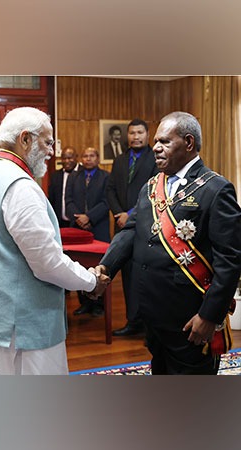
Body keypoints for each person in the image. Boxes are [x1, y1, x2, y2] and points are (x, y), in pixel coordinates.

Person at [0, 107, 109, 375]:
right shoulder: (20, 187)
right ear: (25, 139)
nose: (52, 151)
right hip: (19, 325)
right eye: (47, 142)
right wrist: (91, 281)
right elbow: (47, 263)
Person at [96, 111, 241, 374]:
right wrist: (105, 267)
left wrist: (210, 316)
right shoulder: (151, 186)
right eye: (156, 142)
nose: (156, 148)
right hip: (152, 312)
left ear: (188, 143)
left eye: (164, 142)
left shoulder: (215, 189)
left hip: (190, 318)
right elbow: (130, 232)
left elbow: (230, 262)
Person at [105, 118, 157, 336]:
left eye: (140, 133)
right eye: (132, 133)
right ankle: (132, 321)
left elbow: (154, 191)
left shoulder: (155, 159)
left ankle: (149, 324)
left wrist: (131, 215)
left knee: (146, 275)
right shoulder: (119, 160)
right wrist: (119, 214)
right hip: (122, 225)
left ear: (147, 135)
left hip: (146, 226)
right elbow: (110, 190)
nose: (136, 137)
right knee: (127, 275)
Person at [65, 147, 110, 317]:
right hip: (77, 230)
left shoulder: (106, 177)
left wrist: (89, 217)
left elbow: (107, 202)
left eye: (92, 155)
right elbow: (68, 200)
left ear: (97, 158)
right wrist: (79, 218)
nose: (88, 158)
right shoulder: (74, 177)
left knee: (100, 267)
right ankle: (84, 303)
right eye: (85, 155)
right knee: (80, 266)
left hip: (98, 227)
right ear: (81, 159)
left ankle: (99, 304)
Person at [48, 146, 80, 228]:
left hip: (80, 222)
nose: (66, 161)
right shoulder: (55, 176)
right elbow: (52, 199)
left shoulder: (83, 174)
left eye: (70, 158)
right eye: (64, 158)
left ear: (76, 157)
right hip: (60, 222)